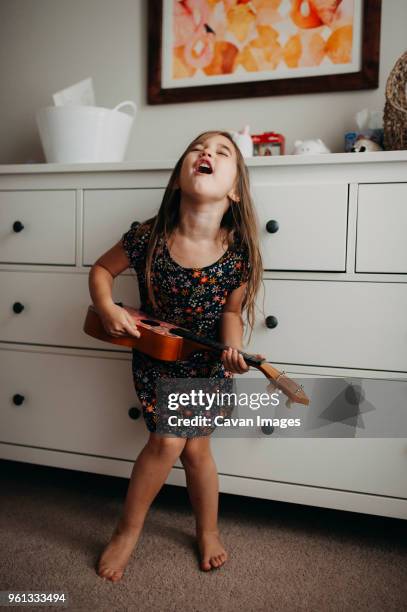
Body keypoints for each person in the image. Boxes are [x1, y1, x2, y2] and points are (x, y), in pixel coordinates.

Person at [88, 130, 264, 582]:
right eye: (199, 148)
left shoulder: (238, 255)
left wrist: (233, 349)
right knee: (168, 441)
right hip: (156, 355)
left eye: (222, 152)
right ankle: (128, 531)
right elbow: (102, 271)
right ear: (176, 178)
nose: (207, 153)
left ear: (235, 190)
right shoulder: (148, 237)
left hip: (205, 364)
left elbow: (230, 311)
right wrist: (107, 307)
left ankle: (207, 530)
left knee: (197, 451)